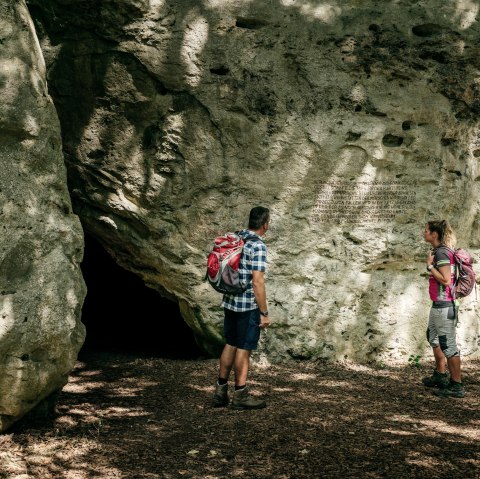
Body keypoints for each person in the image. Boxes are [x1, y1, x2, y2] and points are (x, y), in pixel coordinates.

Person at [212, 206, 271, 409]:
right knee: (244, 348)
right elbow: (258, 282)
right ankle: (240, 395)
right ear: (265, 224)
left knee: (230, 343)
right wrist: (264, 313)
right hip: (248, 306)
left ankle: (220, 392)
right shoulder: (258, 246)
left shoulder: (237, 237)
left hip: (229, 301)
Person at [422, 220, 465, 398]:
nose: (423, 233)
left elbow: (446, 280)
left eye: (426, 230)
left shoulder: (441, 253)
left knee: (448, 345)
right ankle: (440, 375)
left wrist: (430, 266)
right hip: (438, 304)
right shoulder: (440, 251)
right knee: (433, 337)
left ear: (435, 234)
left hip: (445, 305)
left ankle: (456, 385)